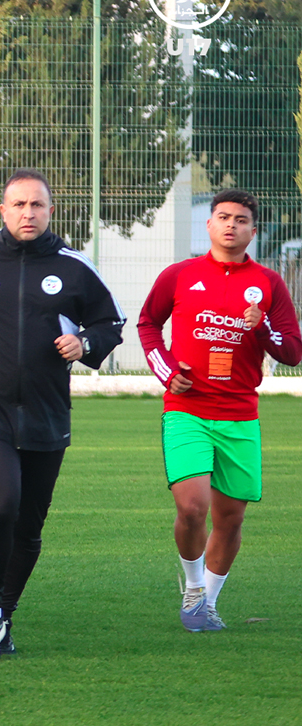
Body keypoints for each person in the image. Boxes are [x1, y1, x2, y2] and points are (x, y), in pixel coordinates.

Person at [0, 168, 125, 662]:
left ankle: (4, 615)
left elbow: (111, 321)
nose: (27, 213)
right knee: (1, 506)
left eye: (36, 205)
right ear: (3, 210)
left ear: (50, 210)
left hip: (47, 412)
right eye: (18, 205)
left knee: (29, 526)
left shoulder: (74, 266)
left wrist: (85, 343)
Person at [137, 188, 301, 632]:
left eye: (241, 219)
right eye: (224, 217)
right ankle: (193, 588)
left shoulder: (269, 283)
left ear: (253, 230)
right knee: (192, 507)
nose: (231, 225)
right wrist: (167, 370)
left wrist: (263, 328)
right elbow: (148, 324)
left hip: (240, 416)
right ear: (209, 224)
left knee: (231, 518)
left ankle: (206, 603)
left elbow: (292, 351)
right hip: (186, 410)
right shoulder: (180, 275)